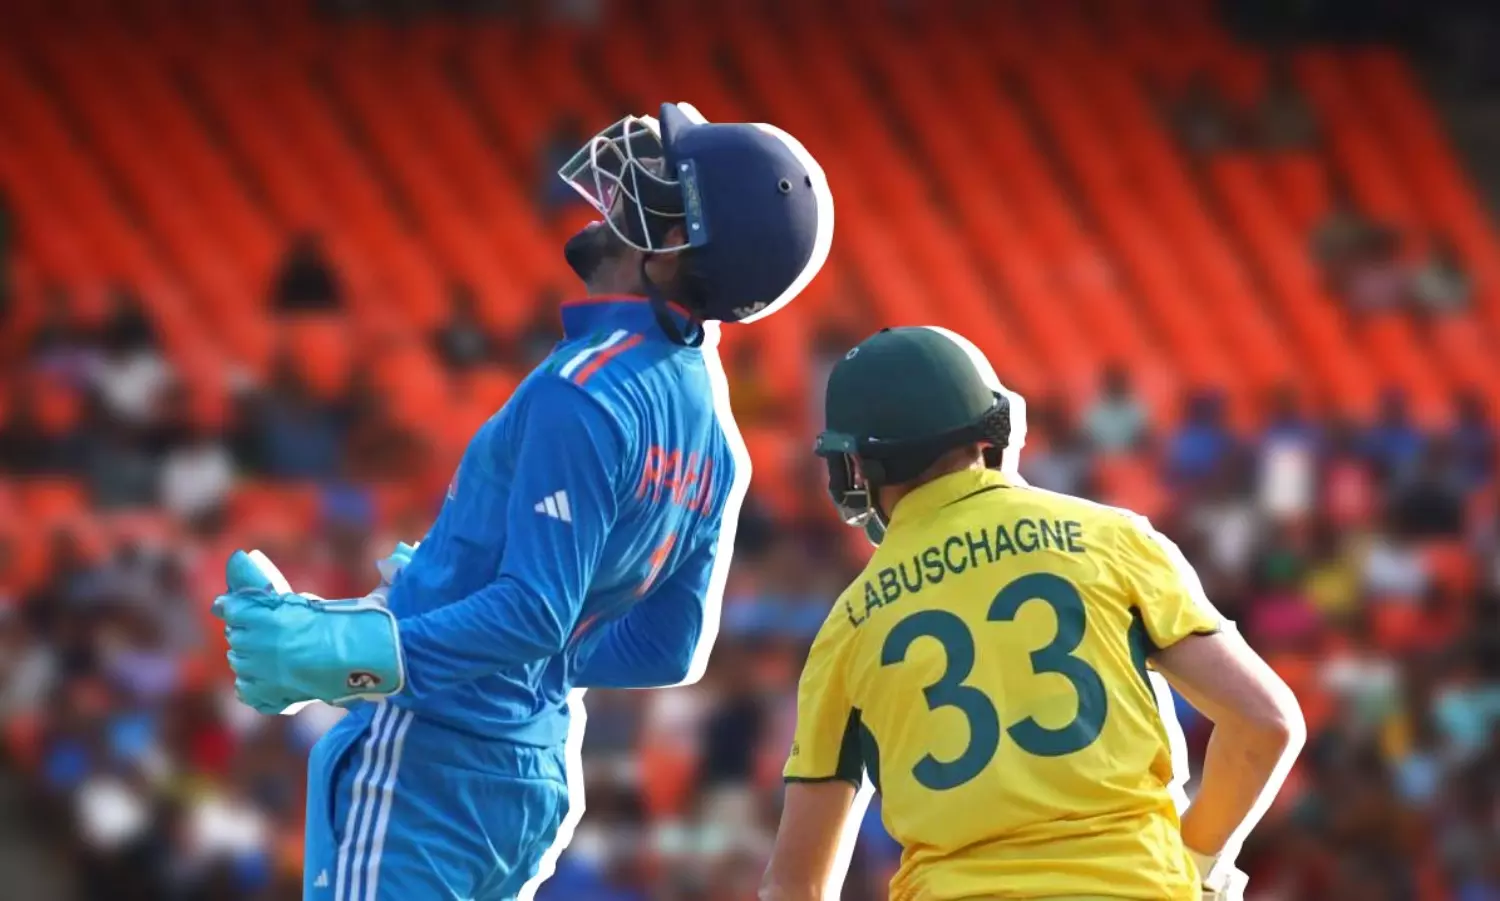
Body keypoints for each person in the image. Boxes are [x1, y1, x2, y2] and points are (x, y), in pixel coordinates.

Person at [212, 102, 833, 901]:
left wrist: (358, 648)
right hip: (531, 768)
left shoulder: (584, 388)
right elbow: (671, 645)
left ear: (677, 243)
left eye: (659, 183)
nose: (625, 186)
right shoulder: (715, 434)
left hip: (433, 759)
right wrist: (449, 603)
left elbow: (536, 613)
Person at [760, 327, 1305, 901]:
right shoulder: (1111, 538)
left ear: (854, 467)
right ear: (995, 428)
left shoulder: (847, 626)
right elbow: (1264, 724)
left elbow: (795, 887)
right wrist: (1194, 866)